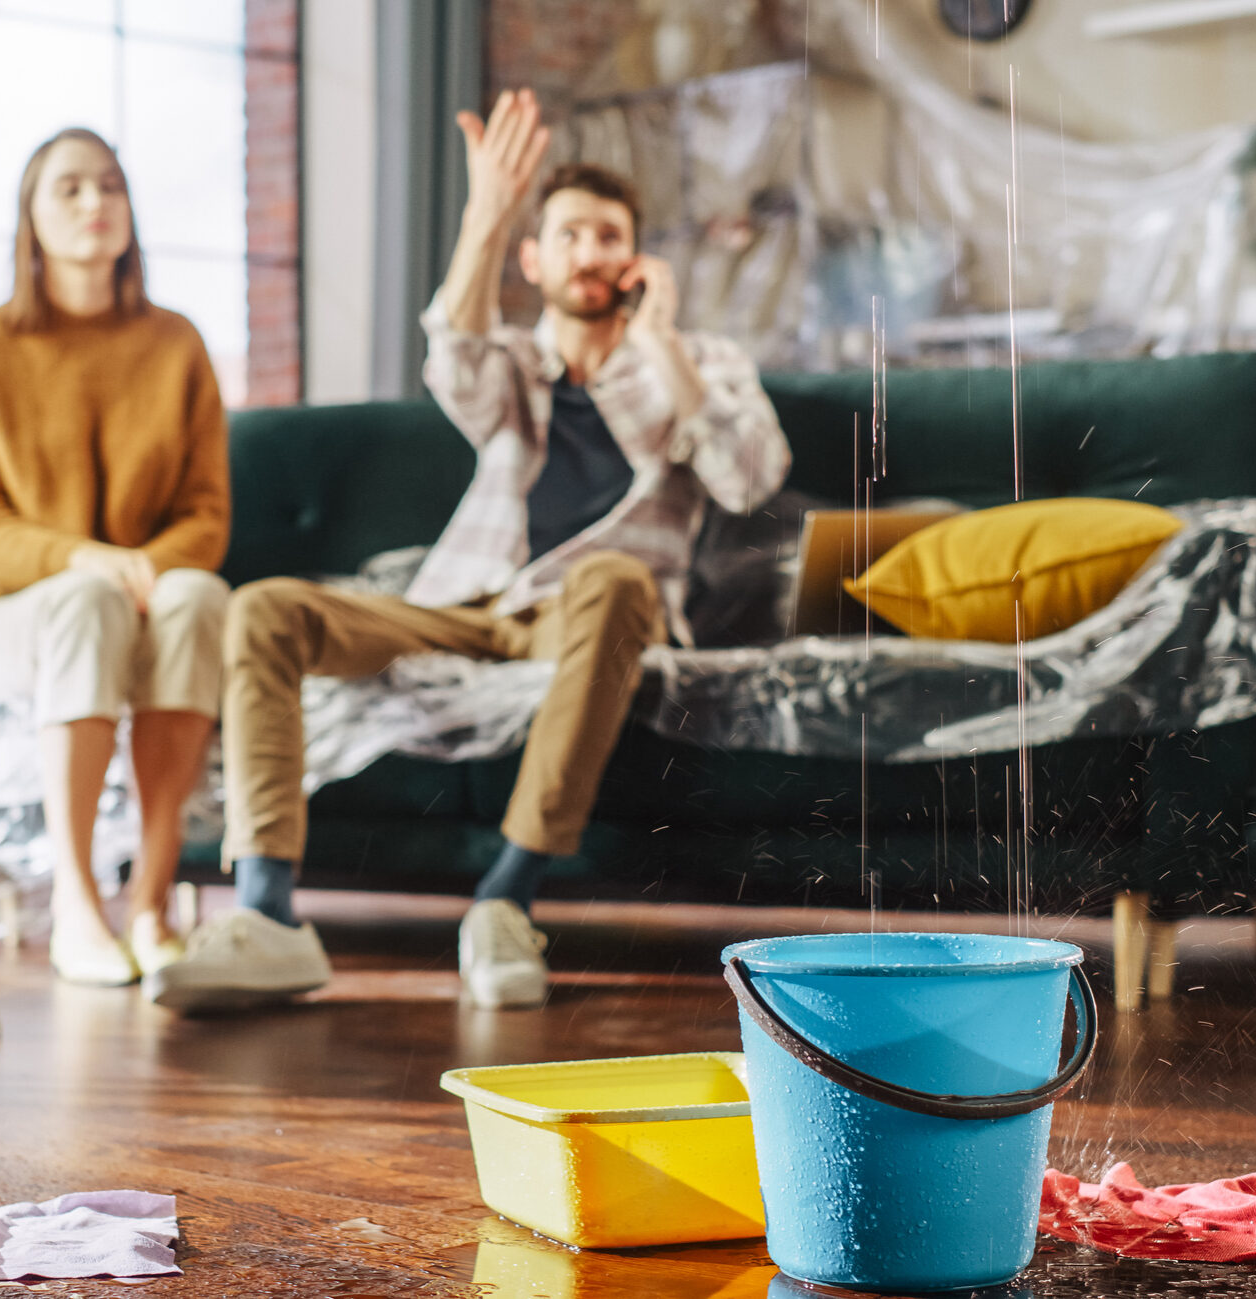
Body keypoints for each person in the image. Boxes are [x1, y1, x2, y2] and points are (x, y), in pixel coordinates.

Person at [150, 87, 790, 1013]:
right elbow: (451, 351)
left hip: (584, 613)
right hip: (464, 602)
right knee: (264, 608)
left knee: (616, 579)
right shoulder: (514, 367)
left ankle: (505, 898)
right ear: (534, 260)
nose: (591, 252)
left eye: (610, 235)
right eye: (569, 234)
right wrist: (487, 211)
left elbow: (747, 478)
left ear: (638, 258)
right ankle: (266, 914)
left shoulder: (701, 362)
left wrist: (660, 347)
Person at [0, 127, 230, 987]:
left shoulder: (176, 342)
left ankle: (148, 899)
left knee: (199, 596)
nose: (94, 202)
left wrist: (137, 570)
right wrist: (87, 559)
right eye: (67, 188)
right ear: (30, 218)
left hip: (142, 596)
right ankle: (75, 903)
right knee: (86, 600)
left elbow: (207, 515)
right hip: (20, 612)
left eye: (109, 185)